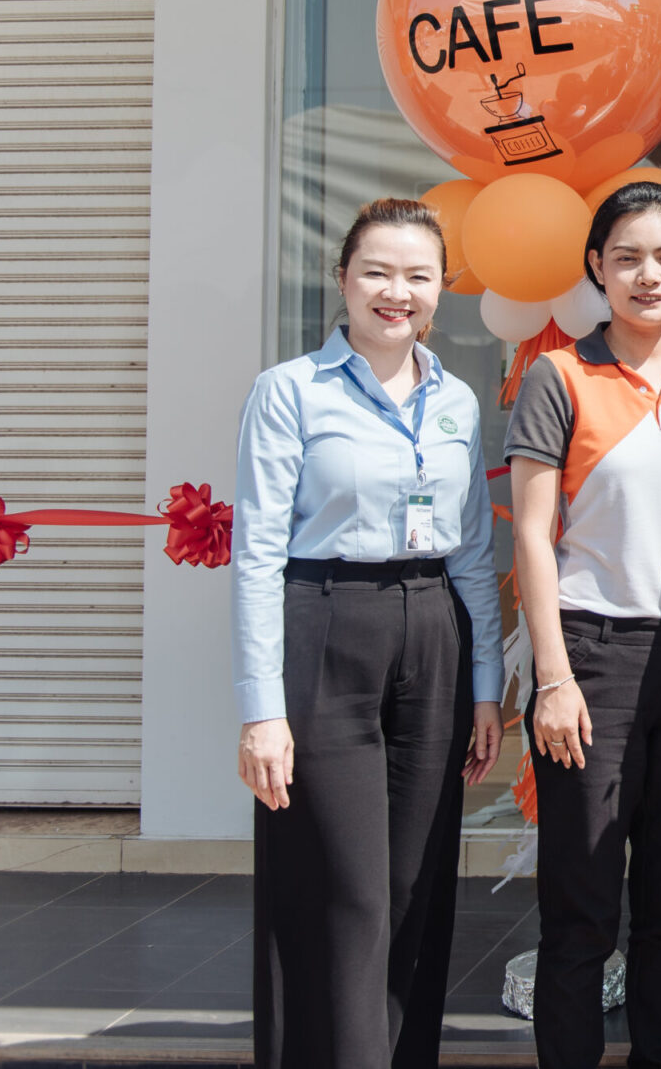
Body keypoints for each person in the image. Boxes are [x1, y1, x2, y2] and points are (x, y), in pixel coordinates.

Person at [231, 197, 505, 1069]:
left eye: (418, 275)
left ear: (442, 288)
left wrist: (487, 687)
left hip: (433, 628)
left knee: (414, 884)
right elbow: (257, 554)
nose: (398, 292)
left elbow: (473, 552)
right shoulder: (289, 391)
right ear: (342, 279)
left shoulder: (457, 398)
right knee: (346, 888)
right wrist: (261, 710)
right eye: (377, 272)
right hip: (326, 623)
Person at [505, 182, 661, 1069]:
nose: (647, 275)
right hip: (592, 658)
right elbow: (532, 536)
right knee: (580, 909)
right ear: (596, 268)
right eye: (625, 258)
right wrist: (552, 677)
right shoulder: (558, 376)